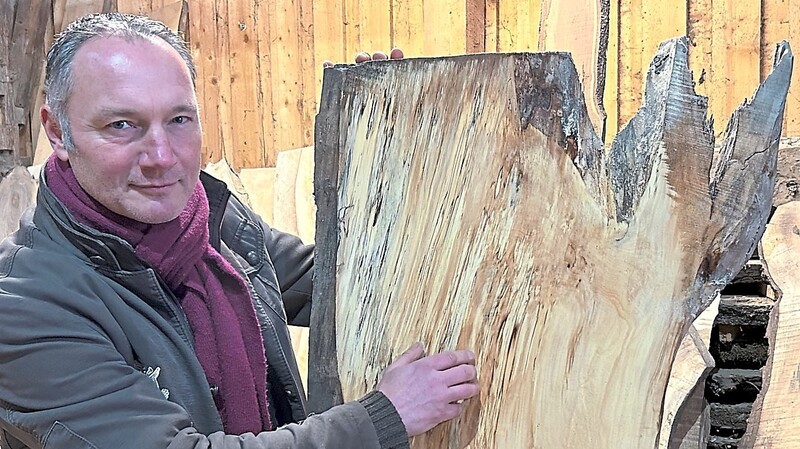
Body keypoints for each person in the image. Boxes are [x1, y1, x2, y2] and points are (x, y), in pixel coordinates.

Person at [0, 12, 479, 449]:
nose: (163, 156)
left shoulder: (207, 222)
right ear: (58, 132)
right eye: (123, 125)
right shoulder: (25, 309)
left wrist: (387, 136)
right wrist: (382, 418)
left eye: (179, 120)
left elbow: (339, 284)